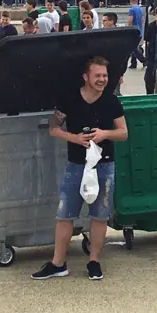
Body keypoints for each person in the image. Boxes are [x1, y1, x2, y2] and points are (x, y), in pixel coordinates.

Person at [31, 56, 128, 281]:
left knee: (100, 216)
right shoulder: (70, 99)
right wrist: (75, 138)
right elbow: (53, 128)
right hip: (76, 166)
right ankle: (57, 263)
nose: (102, 80)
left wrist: (104, 134)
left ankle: (94, 261)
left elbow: (123, 133)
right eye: (98, 76)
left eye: (105, 76)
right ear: (86, 77)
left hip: (104, 166)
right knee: (65, 215)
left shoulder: (112, 102)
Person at [127, 0, 146, 68]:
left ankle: (143, 60)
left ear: (130, 1)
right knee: (135, 47)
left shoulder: (131, 10)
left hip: (134, 31)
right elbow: (142, 20)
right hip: (139, 30)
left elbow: (130, 20)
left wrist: (129, 29)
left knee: (133, 48)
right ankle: (133, 63)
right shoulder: (140, 9)